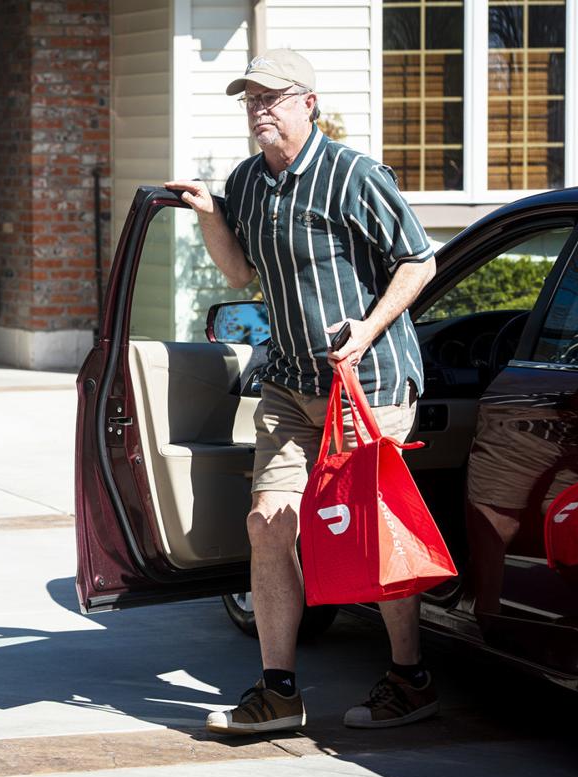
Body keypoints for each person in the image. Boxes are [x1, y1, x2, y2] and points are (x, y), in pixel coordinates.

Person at [165, 49, 439, 733]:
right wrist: (208, 213)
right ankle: (279, 688)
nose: (259, 109)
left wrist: (368, 328)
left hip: (366, 383)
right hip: (290, 383)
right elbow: (238, 274)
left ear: (307, 103)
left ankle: (410, 677)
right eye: (250, 98)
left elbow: (419, 260)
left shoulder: (354, 175)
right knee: (268, 524)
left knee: (376, 536)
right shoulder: (249, 183)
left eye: (272, 97)